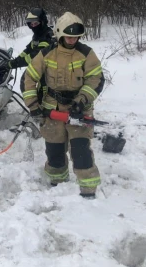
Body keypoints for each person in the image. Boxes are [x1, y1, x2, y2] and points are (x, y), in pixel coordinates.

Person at [22, 12, 104, 199]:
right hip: (52, 109)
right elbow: (29, 78)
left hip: (79, 110)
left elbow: (96, 79)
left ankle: (88, 190)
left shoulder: (86, 54)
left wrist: (82, 100)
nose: (72, 40)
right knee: (54, 149)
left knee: (81, 149)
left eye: (76, 37)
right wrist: (33, 105)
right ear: (59, 34)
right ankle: (56, 183)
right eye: (68, 36)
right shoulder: (46, 53)